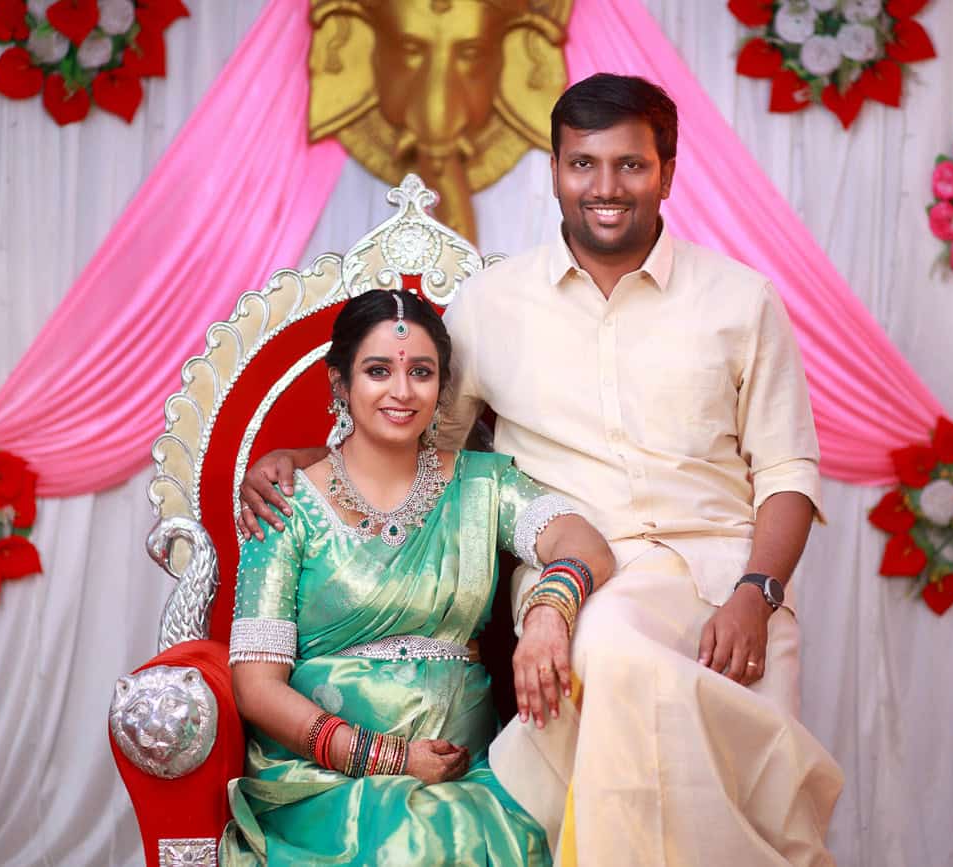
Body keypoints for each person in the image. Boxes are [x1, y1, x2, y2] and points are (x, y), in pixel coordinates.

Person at [241, 74, 844, 865]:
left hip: (730, 577)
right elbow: (418, 433)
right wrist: (302, 458)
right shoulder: (492, 305)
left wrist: (757, 595)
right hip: (586, 579)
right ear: (554, 169)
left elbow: (789, 469)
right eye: (583, 164)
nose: (605, 187)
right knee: (621, 657)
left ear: (666, 169)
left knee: (757, 785)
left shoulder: (741, 300)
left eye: (630, 165)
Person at [222, 288, 616, 866]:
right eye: (378, 370)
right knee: (413, 843)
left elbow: (585, 545)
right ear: (340, 383)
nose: (402, 392)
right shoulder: (286, 504)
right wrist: (389, 758)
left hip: (469, 776)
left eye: (422, 373)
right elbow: (255, 688)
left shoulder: (484, 486)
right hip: (325, 785)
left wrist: (548, 613)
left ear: (442, 385)